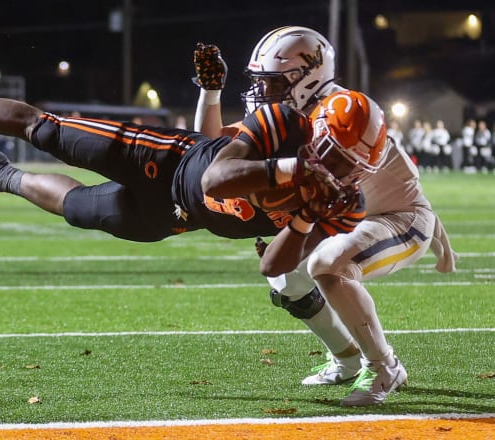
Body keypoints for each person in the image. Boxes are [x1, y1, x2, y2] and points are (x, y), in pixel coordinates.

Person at [192, 26, 457, 406]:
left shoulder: (342, 113)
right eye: (262, 82)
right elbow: (209, 157)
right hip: (353, 218)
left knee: (328, 265)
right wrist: (210, 92)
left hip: (397, 218)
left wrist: (435, 231)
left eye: (273, 82)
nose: (263, 92)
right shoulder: (290, 114)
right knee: (286, 279)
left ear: (305, 77)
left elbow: (402, 184)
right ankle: (346, 359)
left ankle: (384, 366)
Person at [0, 89, 371, 273]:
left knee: (79, 211)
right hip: (171, 160)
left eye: (350, 162)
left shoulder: (344, 204)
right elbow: (217, 179)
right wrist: (293, 170)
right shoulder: (285, 123)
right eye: (332, 152)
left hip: (180, 216)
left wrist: (305, 216)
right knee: (47, 131)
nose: (339, 167)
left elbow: (272, 264)